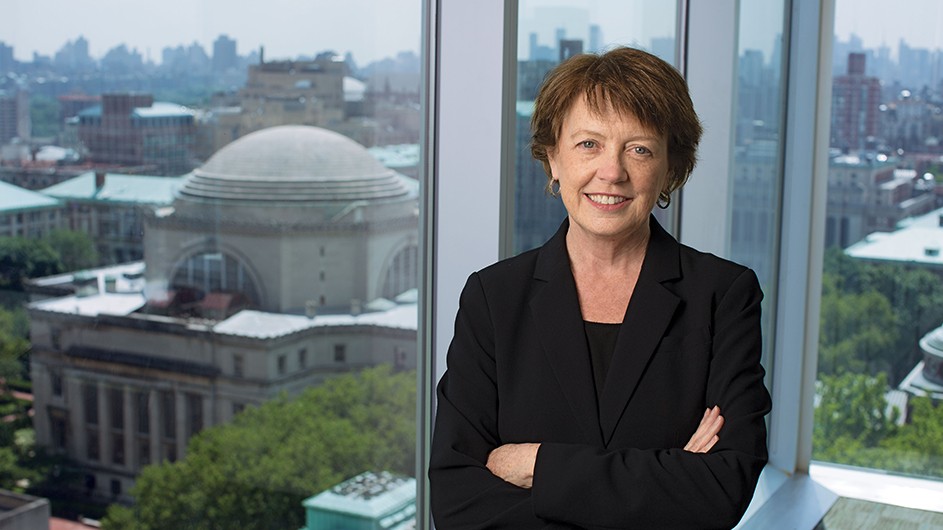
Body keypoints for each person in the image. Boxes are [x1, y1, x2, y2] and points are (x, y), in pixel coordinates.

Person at [429, 46, 772, 529]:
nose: (612, 171)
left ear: (671, 168)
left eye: (640, 148)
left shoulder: (723, 295)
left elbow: (722, 487)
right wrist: (664, 480)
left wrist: (539, 465)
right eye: (588, 144)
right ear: (553, 158)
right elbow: (457, 500)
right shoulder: (493, 297)